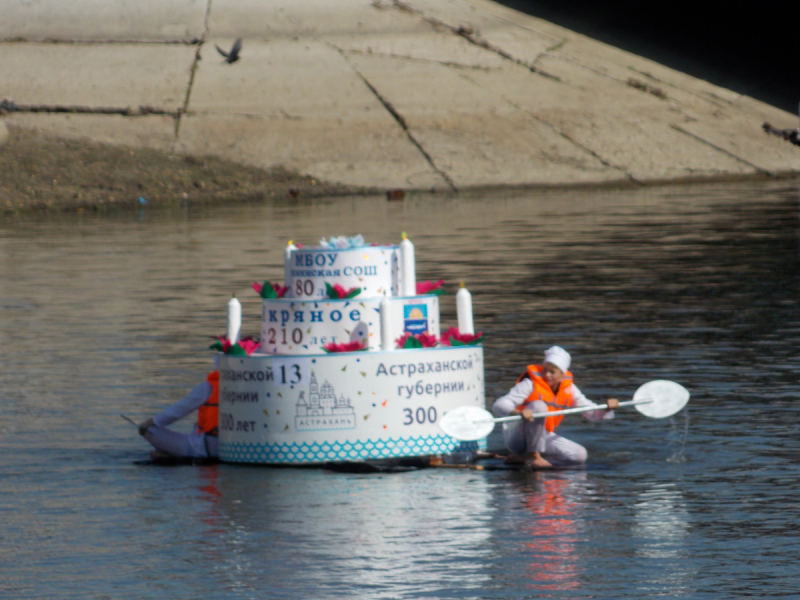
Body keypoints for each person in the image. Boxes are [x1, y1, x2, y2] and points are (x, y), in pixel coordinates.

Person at [492, 346, 619, 468]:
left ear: (562, 374)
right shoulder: (530, 384)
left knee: (580, 455)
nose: (547, 375)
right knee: (539, 406)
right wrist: (518, 413)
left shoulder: (570, 390)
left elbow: (591, 413)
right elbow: (498, 405)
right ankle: (532, 456)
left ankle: (524, 459)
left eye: (552, 372)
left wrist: (606, 408)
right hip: (517, 437)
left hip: (541, 436)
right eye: (545, 370)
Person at [138, 362, 219, 459]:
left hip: (202, 450)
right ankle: (169, 452)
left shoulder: (208, 387)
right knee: (196, 426)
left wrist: (152, 421)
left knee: (149, 430)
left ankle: (170, 453)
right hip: (231, 450)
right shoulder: (240, 389)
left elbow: (179, 410)